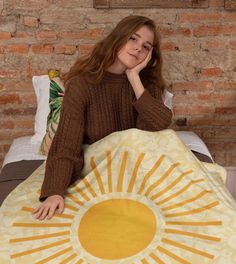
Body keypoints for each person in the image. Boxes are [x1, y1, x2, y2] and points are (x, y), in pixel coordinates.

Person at [32, 15, 172, 221]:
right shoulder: (83, 84)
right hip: (100, 171)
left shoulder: (145, 85)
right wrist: (54, 191)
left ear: (149, 55)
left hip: (140, 171)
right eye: (133, 39)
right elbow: (66, 144)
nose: (137, 48)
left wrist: (134, 77)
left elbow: (158, 125)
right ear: (118, 37)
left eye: (145, 46)